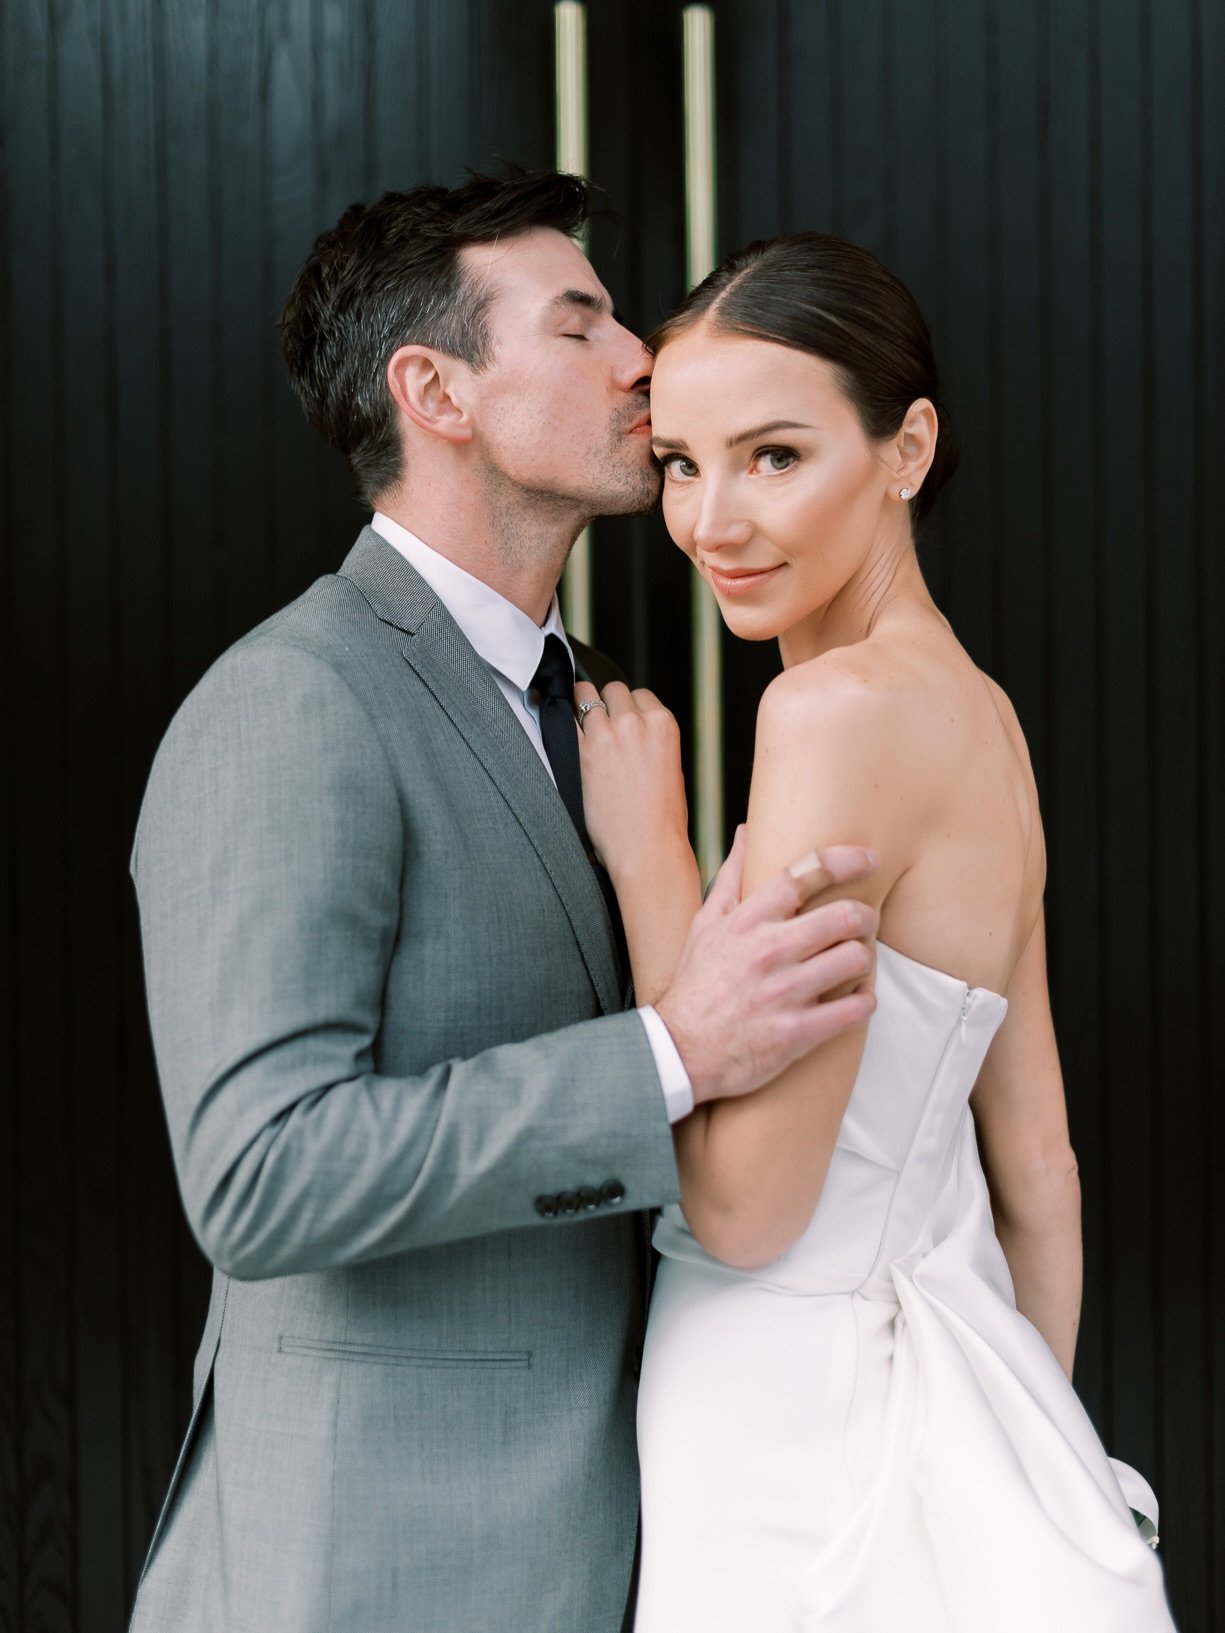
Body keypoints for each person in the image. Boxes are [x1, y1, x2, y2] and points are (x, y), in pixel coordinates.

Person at [126, 173, 882, 1633]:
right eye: (580, 322)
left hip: (623, 1551)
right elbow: (258, 1174)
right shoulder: (290, 702)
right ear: (436, 390)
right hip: (364, 1574)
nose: (640, 359)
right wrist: (674, 1053)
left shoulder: (598, 711)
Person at [575, 232, 1176, 1630]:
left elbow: (743, 1206)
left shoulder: (827, 715)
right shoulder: (980, 717)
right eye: (679, 461)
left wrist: (648, 847)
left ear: (905, 449)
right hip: (921, 1361)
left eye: (774, 456)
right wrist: (1010, 1447)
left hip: (777, 1406)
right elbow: (1039, 1165)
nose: (711, 518)